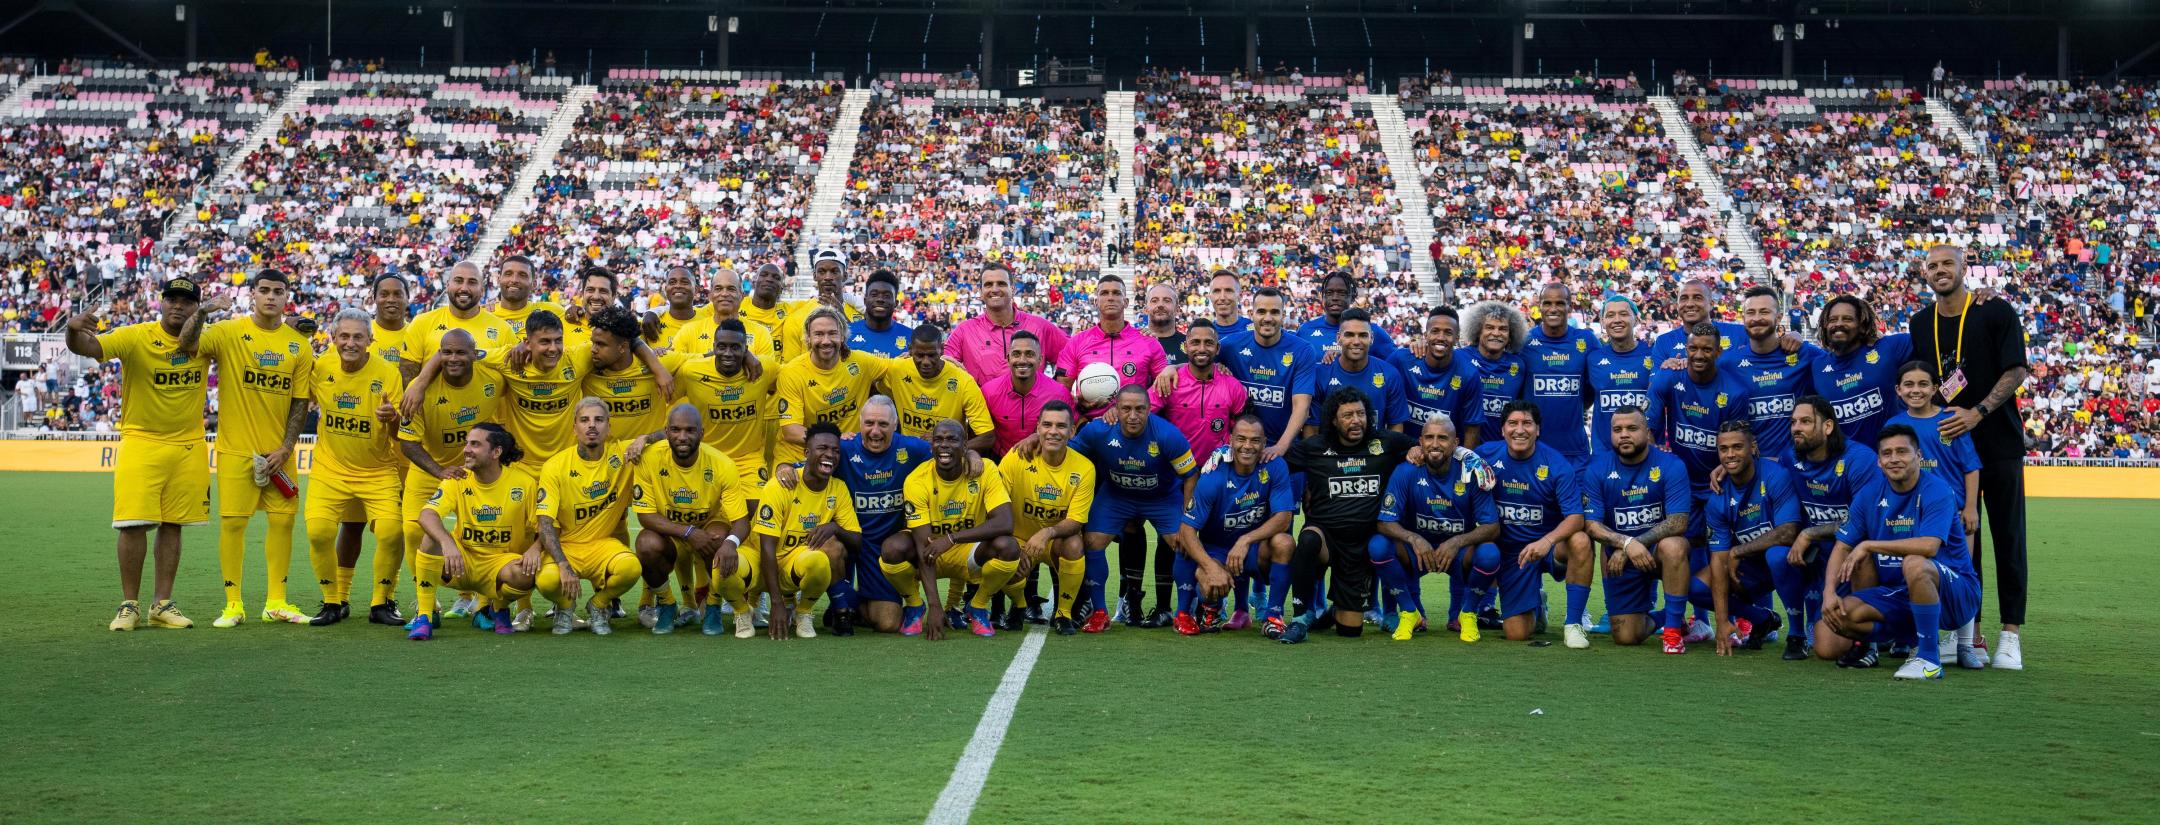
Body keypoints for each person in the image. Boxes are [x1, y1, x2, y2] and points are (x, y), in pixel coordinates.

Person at [1906, 244, 2030, 670]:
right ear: (1925, 274)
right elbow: (1929, 382)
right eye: (1932, 266)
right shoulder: (1920, 322)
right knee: (1959, 540)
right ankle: (1967, 633)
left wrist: (1978, 412)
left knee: (2008, 537)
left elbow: (2015, 371)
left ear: (1964, 268)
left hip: (1998, 444)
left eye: (1948, 264)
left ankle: (2010, 634)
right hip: (1949, 451)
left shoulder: (1994, 310)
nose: (1940, 271)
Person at [66, 276, 207, 631]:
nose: (178, 305)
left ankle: (162, 605)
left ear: (196, 308)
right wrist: (71, 329)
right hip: (142, 441)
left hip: (188, 445)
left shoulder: (206, 340)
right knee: (133, 525)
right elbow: (86, 347)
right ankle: (128, 605)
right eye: (172, 298)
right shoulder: (135, 336)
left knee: (174, 525)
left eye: (186, 301)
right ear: (161, 303)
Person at [178, 269, 316, 628]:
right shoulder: (227, 332)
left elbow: (300, 403)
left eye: (278, 291)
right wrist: (203, 312)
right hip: (235, 451)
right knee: (234, 525)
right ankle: (233, 604)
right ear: (252, 294)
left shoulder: (298, 345)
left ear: (287, 297)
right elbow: (186, 344)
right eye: (264, 290)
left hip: (279, 455)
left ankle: (276, 601)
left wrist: (286, 448)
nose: (271, 297)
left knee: (283, 524)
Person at [1017, 384, 1197, 633]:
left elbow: (1190, 475)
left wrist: (1189, 517)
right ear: (1116, 409)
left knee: (1183, 541)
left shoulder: (1167, 435)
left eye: (1139, 409)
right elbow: (1065, 447)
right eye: (1126, 409)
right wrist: (1036, 436)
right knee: (1092, 541)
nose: (1132, 415)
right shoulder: (1099, 430)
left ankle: (1183, 613)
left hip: (1160, 497)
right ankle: (1099, 612)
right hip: (1116, 495)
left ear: (1149, 410)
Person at [1816, 423, 1983, 681]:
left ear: (1919, 457)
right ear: (1879, 462)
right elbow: (1842, 546)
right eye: (1887, 453)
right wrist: (1828, 593)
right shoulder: (1868, 495)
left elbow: (1929, 546)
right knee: (1832, 630)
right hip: (1901, 592)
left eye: (1902, 452)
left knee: (1915, 563)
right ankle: (1907, 638)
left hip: (1957, 593)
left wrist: (1869, 544)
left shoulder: (1937, 489)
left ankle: (1928, 659)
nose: (1894, 459)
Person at [1278, 387, 1419, 643]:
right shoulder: (1315, 447)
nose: (1356, 421)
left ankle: (1336, 610)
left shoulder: (1386, 444)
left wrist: (1416, 451)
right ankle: (1300, 617)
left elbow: (1430, 448)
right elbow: (1275, 462)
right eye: (1348, 415)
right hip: (1325, 538)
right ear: (1333, 419)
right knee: (1308, 540)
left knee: (1350, 631)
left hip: (1360, 547)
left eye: (1361, 414)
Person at [300, 310, 405, 626]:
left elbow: (400, 433)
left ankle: (381, 602)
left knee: (390, 532)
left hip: (377, 469)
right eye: (344, 336)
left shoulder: (388, 374)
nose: (350, 342)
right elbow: (295, 399)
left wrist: (392, 419)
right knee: (318, 532)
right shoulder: (321, 367)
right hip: (329, 469)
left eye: (358, 336)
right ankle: (333, 602)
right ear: (333, 339)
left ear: (370, 341)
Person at [393, 329, 501, 626]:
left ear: (474, 353)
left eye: (460, 352)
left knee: (485, 530)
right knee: (414, 533)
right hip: (430, 468)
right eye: (447, 352)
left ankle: (481, 603)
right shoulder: (419, 390)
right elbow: (408, 443)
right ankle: (426, 605)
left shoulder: (492, 379)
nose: (453, 358)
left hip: (475, 470)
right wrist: (440, 471)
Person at [1884, 362, 1986, 667]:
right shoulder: (1895, 424)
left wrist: (1970, 507)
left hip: (1954, 515)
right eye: (1909, 385)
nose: (1916, 390)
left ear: (1934, 388)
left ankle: (1965, 644)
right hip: (1914, 516)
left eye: (1923, 384)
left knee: (1961, 574)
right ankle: (1919, 643)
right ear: (1898, 390)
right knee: (1919, 574)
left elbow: (1971, 466)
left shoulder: (1950, 420)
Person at [887, 420, 1022, 639]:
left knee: (1008, 546)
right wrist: (935, 606)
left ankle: (978, 606)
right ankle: (914, 605)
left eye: (952, 439)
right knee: (892, 549)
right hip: (931, 553)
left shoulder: (985, 469)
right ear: (931, 446)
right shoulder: (916, 480)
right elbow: (923, 545)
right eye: (938, 439)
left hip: (969, 554)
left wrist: (951, 538)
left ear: (965, 445)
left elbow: (1005, 523)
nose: (944, 445)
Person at [407, 424, 541, 640]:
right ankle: (425, 615)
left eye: (475, 444)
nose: (466, 449)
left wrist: (536, 548)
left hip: (499, 565)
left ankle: (498, 608)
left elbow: (543, 526)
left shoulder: (524, 483)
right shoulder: (457, 479)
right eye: (467, 443)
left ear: (496, 452)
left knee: (527, 573)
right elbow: (426, 515)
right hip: (461, 562)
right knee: (430, 538)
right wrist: (447, 543)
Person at [629, 404, 753, 636]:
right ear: (666, 432)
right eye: (675, 430)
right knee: (645, 544)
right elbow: (645, 516)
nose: (682, 437)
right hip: (671, 532)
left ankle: (713, 606)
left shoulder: (722, 464)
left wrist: (731, 544)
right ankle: (667, 604)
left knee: (720, 538)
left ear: (702, 433)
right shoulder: (649, 459)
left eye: (689, 430)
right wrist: (688, 532)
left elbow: (741, 520)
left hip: (709, 528)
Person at [1374, 415, 1501, 642]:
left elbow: (1492, 527)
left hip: (1457, 555)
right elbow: (1384, 522)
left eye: (1443, 438)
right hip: (1417, 553)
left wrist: (1456, 542)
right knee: (1378, 546)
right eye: (1429, 437)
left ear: (1455, 443)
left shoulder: (1472, 472)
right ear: (1420, 442)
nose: (1435, 444)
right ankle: (1409, 612)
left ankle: (1468, 613)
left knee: (1490, 553)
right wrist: (1413, 538)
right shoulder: (1405, 471)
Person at [1473, 401, 1589, 645]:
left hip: (1549, 546)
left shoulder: (1556, 464)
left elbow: (1576, 517)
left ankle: (1574, 624)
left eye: (1527, 423)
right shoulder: (1485, 456)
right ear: (1502, 429)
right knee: (1517, 634)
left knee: (1580, 541)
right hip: (1513, 554)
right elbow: (1454, 458)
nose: (1520, 430)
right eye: (1512, 423)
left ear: (1538, 429)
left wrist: (1546, 541)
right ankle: (1537, 605)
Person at [1579, 406, 1694, 650]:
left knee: (1674, 545)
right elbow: (1592, 525)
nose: (1623, 435)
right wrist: (1626, 544)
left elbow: (1678, 522)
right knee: (1626, 637)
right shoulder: (1597, 469)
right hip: (1622, 555)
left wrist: (1635, 543)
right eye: (1617, 429)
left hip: (1658, 553)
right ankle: (1668, 617)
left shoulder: (1671, 465)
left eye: (1632, 428)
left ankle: (1672, 633)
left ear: (1647, 431)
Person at [1781, 395, 1884, 663]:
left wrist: (1810, 532)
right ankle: (1803, 630)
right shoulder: (1789, 458)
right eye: (1793, 422)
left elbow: (1866, 523)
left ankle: (1868, 643)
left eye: (1805, 421)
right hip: (1822, 558)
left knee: (1861, 552)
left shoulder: (1859, 459)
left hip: (1859, 556)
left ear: (1827, 427)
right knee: (1826, 649)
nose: (1796, 428)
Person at [734, 422, 861, 640]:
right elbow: (767, 546)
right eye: (822, 449)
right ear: (806, 453)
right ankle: (742, 611)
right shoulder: (783, 483)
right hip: (761, 562)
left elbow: (856, 541)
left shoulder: (838, 488)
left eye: (835, 450)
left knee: (830, 551)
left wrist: (834, 527)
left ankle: (804, 612)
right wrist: (776, 603)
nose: (829, 454)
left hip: (794, 563)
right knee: (726, 567)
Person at [1171, 414, 1294, 636]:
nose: (1247, 446)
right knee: (1195, 560)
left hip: (1252, 549)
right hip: (1216, 550)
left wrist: (1245, 540)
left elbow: (1284, 517)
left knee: (1285, 542)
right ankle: (1209, 610)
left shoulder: (1275, 466)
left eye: (1255, 440)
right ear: (1230, 441)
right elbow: (1187, 529)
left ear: (1264, 443)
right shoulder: (1212, 477)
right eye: (1241, 439)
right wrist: (1210, 567)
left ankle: (1273, 617)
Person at [532, 398, 646, 635]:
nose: (591, 426)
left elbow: (670, 435)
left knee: (631, 568)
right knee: (546, 581)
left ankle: (599, 605)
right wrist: (563, 564)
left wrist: (644, 439)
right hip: (567, 546)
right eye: (584, 420)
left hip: (602, 545)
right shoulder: (555, 466)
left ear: (609, 427)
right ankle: (565, 607)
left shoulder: (623, 455)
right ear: (574, 428)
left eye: (598, 420)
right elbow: (544, 522)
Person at [1693, 421, 1799, 656]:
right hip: (1753, 569)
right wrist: (1722, 621)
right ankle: (1762, 618)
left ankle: (1801, 631)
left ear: (1752, 446)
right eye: (1723, 449)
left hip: (1792, 562)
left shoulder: (1775, 476)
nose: (1730, 454)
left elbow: (1788, 531)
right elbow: (1719, 560)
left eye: (1737, 447)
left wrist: (1738, 551)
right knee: (1696, 587)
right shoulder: (1717, 498)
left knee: (1777, 555)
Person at [996, 401, 1095, 634]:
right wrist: (1013, 546)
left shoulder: (1084, 468)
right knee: (1001, 548)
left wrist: (1047, 532)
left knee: (1074, 543)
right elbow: (997, 506)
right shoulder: (1016, 457)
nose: (1053, 431)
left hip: (1052, 543)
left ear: (1072, 431)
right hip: (1018, 539)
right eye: (1047, 425)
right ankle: (1019, 606)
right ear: (1037, 428)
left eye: (1061, 426)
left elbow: (1076, 521)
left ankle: (1063, 614)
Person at [774, 307, 888, 468]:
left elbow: (896, 368)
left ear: (842, 336)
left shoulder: (861, 362)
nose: (826, 341)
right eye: (818, 334)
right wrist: (835, 439)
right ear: (808, 338)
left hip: (847, 453)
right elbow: (791, 431)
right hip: (798, 455)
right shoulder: (792, 372)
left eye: (832, 333)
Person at [1719, 285, 1824, 460]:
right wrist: (1677, 362)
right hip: (1751, 468)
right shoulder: (1728, 363)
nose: (1757, 318)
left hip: (1797, 466)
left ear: (1779, 317)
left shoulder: (1803, 353)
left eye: (1764, 312)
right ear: (1743, 318)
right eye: (1751, 313)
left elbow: (1839, 360)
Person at [1214, 286, 1319, 460]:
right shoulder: (1231, 345)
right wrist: (1173, 368)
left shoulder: (1302, 350)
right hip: (1240, 448)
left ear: (1283, 314)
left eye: (1275, 312)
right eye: (1261, 311)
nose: (1268, 318)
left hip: (1283, 448)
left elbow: (1302, 405)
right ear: (1251, 313)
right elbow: (1198, 361)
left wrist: (1280, 447)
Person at [1812, 294, 1911, 448]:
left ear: (1862, 325)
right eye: (1832, 320)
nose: (1838, 324)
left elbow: (1935, 342)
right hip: (1847, 465)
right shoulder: (1816, 365)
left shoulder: (1889, 347)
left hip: (1892, 459)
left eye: (1847, 319)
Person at [947, 262, 1070, 384]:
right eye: (989, 285)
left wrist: (1059, 388)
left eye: (1001, 284)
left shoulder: (1040, 326)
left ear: (1013, 289)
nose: (994, 289)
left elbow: (1073, 353)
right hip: (981, 403)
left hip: (1031, 403)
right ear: (980, 292)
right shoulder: (965, 331)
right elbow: (943, 366)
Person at [1056, 274, 1165, 410]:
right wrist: (1078, 406)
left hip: (1136, 426)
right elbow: (1060, 391)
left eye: (1116, 293)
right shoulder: (1076, 343)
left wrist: (1136, 413)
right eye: (1104, 293)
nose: (1110, 297)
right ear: (1096, 302)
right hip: (1090, 425)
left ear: (1126, 302)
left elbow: (1164, 389)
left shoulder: (1148, 342)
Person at [882, 323, 994, 450]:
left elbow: (988, 437)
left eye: (931, 355)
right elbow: (870, 376)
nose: (926, 362)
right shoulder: (896, 369)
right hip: (909, 457)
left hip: (947, 461)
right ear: (910, 349)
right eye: (919, 355)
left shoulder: (963, 380)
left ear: (941, 349)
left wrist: (947, 445)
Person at [1150, 322, 1247, 465]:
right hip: (1175, 469)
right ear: (1185, 346)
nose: (1202, 349)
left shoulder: (1233, 386)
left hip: (1218, 469)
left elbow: (1243, 428)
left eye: (1208, 343)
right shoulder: (1169, 381)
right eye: (1195, 342)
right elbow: (1141, 411)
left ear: (1217, 348)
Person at [1523, 283, 1599, 461]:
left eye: (1560, 303)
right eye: (1547, 303)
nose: (1553, 309)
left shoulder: (1587, 340)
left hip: (1574, 450)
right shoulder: (1524, 341)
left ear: (1569, 307)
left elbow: (1593, 387)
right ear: (1539, 307)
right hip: (1532, 449)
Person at [1389, 307, 1484, 442]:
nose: (1441, 337)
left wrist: (1466, 462)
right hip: (1404, 452)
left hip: (1444, 455)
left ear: (1457, 338)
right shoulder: (1401, 359)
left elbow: (1472, 428)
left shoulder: (1469, 374)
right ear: (1425, 335)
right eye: (1435, 331)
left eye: (1448, 333)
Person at [981, 331, 1075, 456]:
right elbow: (980, 435)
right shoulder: (989, 392)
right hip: (1001, 463)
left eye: (1030, 354)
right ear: (1008, 359)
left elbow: (1071, 432)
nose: (1022, 360)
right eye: (1016, 354)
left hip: (1044, 462)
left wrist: (1040, 436)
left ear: (1040, 359)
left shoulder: (1059, 394)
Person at [1315, 309, 1410, 433]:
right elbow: (1312, 429)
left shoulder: (1390, 375)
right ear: (1339, 338)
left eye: (1363, 335)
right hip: (1331, 451)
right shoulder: (1320, 373)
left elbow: (1396, 427)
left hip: (1374, 451)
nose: (1356, 341)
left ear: (1371, 338)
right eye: (1349, 335)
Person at [407, 261, 515, 366]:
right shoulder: (421, 323)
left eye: (472, 282)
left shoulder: (504, 330)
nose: (464, 288)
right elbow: (407, 379)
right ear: (447, 286)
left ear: (482, 290)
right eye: (458, 281)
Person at [1587, 294, 1657, 456]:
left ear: (1636, 320)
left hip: (1646, 454)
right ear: (1603, 323)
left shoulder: (1654, 355)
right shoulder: (1593, 358)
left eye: (1624, 314)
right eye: (1610, 315)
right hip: (1604, 455)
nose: (1617, 319)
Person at [670, 268, 775, 362]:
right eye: (718, 289)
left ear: (742, 296)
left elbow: (768, 371)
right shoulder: (688, 331)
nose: (724, 294)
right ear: (710, 296)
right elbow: (672, 363)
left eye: (731, 289)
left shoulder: (761, 333)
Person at [1295, 271, 1399, 359]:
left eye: (1342, 293)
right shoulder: (1305, 331)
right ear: (1323, 297)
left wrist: (1414, 347)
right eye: (1329, 293)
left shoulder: (1373, 331)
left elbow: (1399, 361)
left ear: (1352, 297)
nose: (1335, 297)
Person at [1460, 301, 1529, 427]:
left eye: (1503, 329)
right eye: (1489, 327)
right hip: (1463, 445)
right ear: (1477, 330)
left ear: (1511, 334)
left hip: (1502, 445)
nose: (1496, 333)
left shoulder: (1518, 365)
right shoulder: (1459, 357)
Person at [1650, 278, 1745, 365]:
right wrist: (1666, 372)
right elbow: (1653, 382)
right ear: (1678, 305)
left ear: (1711, 304)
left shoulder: (1740, 333)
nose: (1690, 304)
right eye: (1684, 298)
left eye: (1697, 298)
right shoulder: (1663, 342)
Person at [488, 255, 565, 338]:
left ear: (534, 284)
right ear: (499, 280)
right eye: (508, 274)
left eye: (522, 275)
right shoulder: (484, 314)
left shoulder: (554, 312)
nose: (514, 280)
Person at [846, 270, 913, 358]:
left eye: (887, 296)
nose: (880, 299)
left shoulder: (911, 337)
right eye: (874, 294)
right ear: (865, 301)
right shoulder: (846, 333)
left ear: (896, 303)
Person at [645, 266, 702, 346]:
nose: (678, 286)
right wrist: (650, 312)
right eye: (672, 282)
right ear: (666, 289)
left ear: (696, 289)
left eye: (684, 282)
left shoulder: (709, 317)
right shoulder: (648, 324)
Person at [1142, 282, 1188, 368]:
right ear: (1146, 309)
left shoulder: (1190, 345)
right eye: (1154, 301)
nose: (1160, 305)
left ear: (1177, 310)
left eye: (1167, 301)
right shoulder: (1134, 344)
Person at [1204, 270, 1251, 337]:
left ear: (1240, 296)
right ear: (1210, 297)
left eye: (1228, 291)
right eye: (1217, 291)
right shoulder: (1205, 335)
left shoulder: (1255, 331)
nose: (1222, 297)